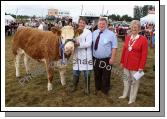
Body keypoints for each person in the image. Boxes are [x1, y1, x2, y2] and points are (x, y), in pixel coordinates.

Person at [119, 20, 148, 104]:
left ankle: (132, 99)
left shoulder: (143, 39)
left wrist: (141, 67)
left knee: (134, 83)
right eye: (132, 27)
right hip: (126, 64)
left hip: (136, 66)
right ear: (130, 28)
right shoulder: (128, 37)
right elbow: (124, 51)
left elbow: (144, 55)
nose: (134, 28)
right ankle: (125, 95)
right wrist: (122, 62)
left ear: (139, 29)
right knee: (126, 80)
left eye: (136, 27)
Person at [92, 17, 118, 96]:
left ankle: (105, 90)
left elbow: (114, 47)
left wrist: (112, 58)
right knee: (97, 74)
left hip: (107, 59)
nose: (101, 25)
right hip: (95, 58)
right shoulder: (94, 32)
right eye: (100, 24)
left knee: (106, 75)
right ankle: (98, 88)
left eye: (103, 24)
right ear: (98, 24)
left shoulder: (111, 34)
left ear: (106, 25)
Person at [72, 17, 93, 95]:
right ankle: (74, 86)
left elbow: (88, 43)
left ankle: (87, 88)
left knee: (86, 73)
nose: (81, 24)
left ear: (85, 24)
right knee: (75, 72)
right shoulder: (75, 31)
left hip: (86, 55)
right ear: (78, 23)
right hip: (77, 55)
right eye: (80, 22)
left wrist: (78, 44)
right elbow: (71, 40)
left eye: (83, 23)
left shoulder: (88, 32)